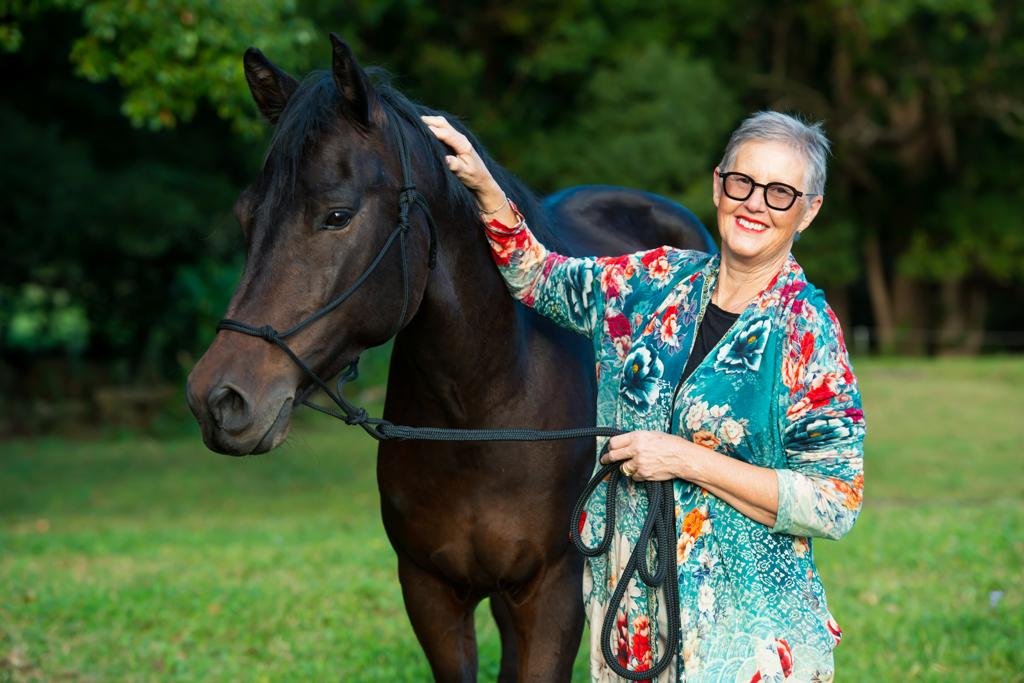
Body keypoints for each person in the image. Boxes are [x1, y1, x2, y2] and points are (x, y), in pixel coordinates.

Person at [423, 110, 865, 682]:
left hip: (746, 636)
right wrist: (485, 185)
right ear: (718, 184)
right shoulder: (655, 281)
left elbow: (835, 500)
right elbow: (537, 275)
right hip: (632, 617)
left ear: (809, 209)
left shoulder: (807, 331)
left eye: (780, 193)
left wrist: (686, 460)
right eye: (743, 182)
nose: (755, 204)